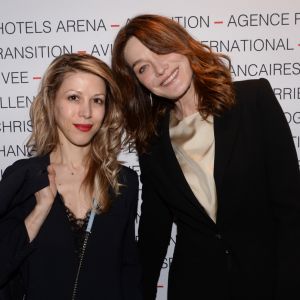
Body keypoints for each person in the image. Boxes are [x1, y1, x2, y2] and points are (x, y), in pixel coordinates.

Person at [111, 14, 300, 300]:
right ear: (138, 82)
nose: (160, 69)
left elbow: (291, 209)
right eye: (143, 68)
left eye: (161, 50)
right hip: (195, 285)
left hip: (266, 281)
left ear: (183, 44)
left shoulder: (253, 99)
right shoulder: (151, 139)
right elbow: (154, 228)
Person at [0, 53, 142, 300]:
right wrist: (39, 211)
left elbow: (127, 270)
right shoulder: (22, 177)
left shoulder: (124, 181)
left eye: (97, 100)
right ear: (51, 101)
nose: (86, 112)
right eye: (74, 97)